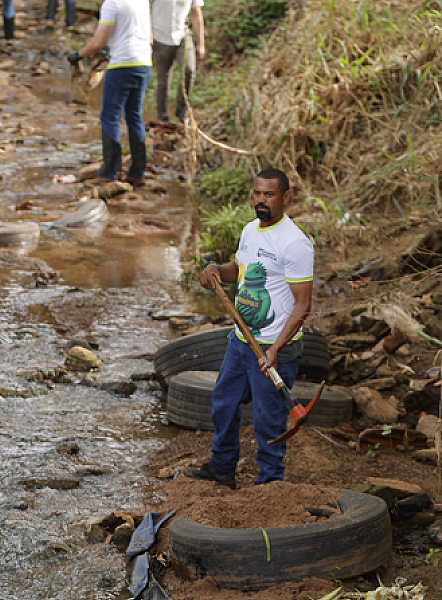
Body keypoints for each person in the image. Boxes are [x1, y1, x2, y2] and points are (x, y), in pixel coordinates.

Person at [188, 169, 314, 487]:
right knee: (224, 402)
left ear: (285, 197)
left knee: (269, 421)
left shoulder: (295, 243)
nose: (261, 200)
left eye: (269, 195)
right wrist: (217, 270)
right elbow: (239, 270)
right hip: (242, 340)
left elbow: (302, 305)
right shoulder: (250, 231)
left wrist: (275, 349)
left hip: (275, 349)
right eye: (257, 193)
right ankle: (222, 467)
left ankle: (270, 484)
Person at [67, 0, 152, 186]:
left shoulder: (112, 4)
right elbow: (150, 38)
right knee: (134, 117)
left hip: (122, 66)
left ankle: (110, 171)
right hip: (144, 63)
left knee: (110, 117)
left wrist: (78, 55)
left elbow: (97, 43)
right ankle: (138, 171)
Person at [151, 0, 205, 126]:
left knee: (189, 69)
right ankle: (162, 117)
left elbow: (197, 13)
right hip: (159, 37)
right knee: (162, 80)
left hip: (182, 34)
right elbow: (143, 9)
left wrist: (201, 43)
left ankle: (182, 113)